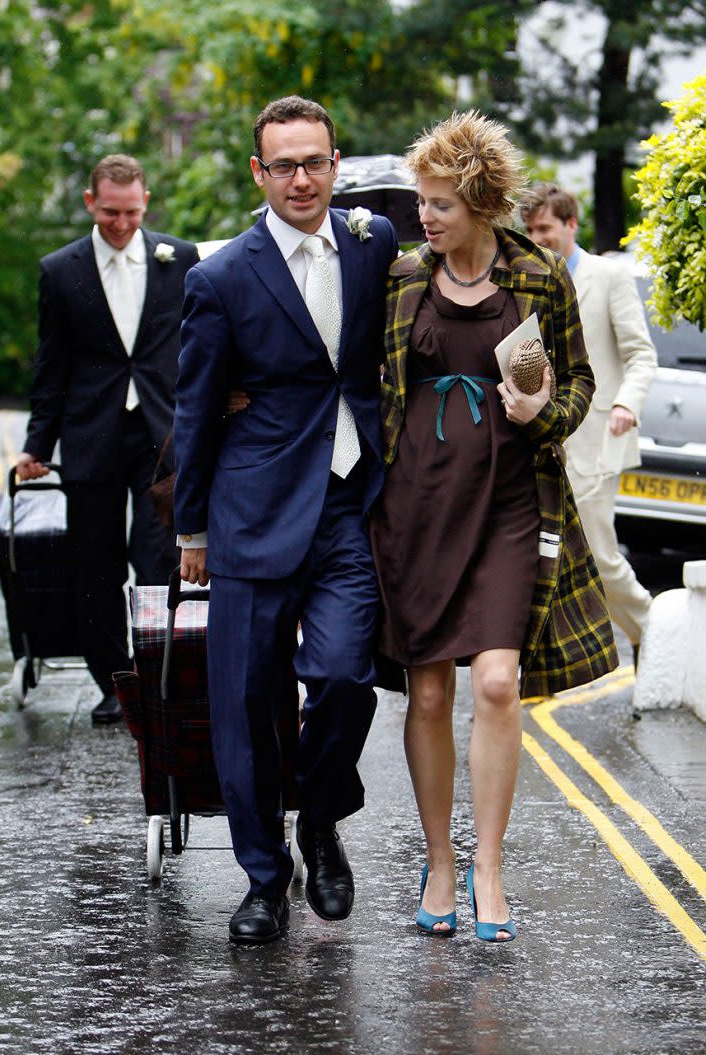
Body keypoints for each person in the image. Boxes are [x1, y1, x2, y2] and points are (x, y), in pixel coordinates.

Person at [370, 111, 617, 943]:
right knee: (431, 687)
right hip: (418, 510)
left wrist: (547, 407)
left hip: (513, 502)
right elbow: (365, 387)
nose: (425, 217)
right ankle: (440, 859)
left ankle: (489, 864)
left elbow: (577, 378)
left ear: (479, 202)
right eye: (421, 202)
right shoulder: (404, 278)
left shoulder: (539, 275)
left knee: (498, 682)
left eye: (439, 203)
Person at [173, 96, 399, 944]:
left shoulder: (375, 247)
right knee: (246, 699)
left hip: (349, 500)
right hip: (251, 509)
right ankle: (264, 877)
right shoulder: (221, 277)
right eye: (284, 165)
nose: (302, 178)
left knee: (344, 676)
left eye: (315, 162)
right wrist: (191, 530)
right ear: (258, 173)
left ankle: (320, 822)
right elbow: (196, 410)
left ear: (337, 165)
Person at [16, 154, 199, 724]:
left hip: (159, 435)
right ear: (91, 203)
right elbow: (51, 368)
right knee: (94, 565)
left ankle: (155, 677)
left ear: (146, 203)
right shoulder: (59, 270)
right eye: (111, 212)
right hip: (91, 437)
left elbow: (198, 345)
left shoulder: (180, 258)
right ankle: (113, 683)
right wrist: (36, 447)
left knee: (156, 558)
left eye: (133, 212)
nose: (122, 224)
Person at [520, 184, 657, 666]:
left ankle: (651, 629)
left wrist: (626, 404)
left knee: (597, 555)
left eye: (546, 228)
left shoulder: (611, 276)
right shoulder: (528, 279)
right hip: (540, 440)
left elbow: (641, 355)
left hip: (599, 438)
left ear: (571, 224)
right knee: (541, 558)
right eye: (530, 229)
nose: (538, 237)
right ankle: (545, 664)